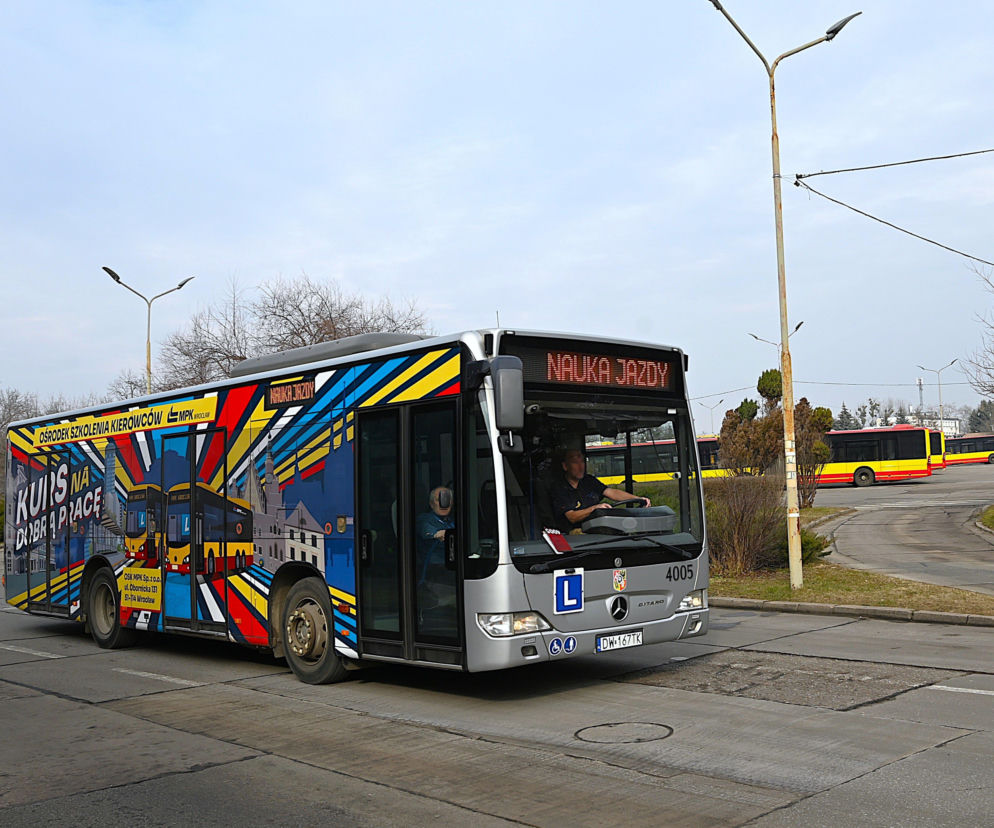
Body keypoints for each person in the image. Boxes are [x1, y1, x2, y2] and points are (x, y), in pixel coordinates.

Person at [549, 448, 650, 534]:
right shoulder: (559, 488)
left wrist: (638, 499)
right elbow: (572, 517)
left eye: (582, 461)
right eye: (575, 462)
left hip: (600, 532)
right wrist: (595, 508)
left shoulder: (589, 481)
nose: (581, 466)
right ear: (565, 466)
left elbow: (611, 493)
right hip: (575, 538)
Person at [416, 486, 454, 582]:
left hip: (453, 565)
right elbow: (428, 532)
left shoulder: (452, 521)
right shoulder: (424, 519)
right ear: (431, 504)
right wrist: (437, 534)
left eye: (447, 500)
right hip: (434, 570)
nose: (443, 504)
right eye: (439, 500)